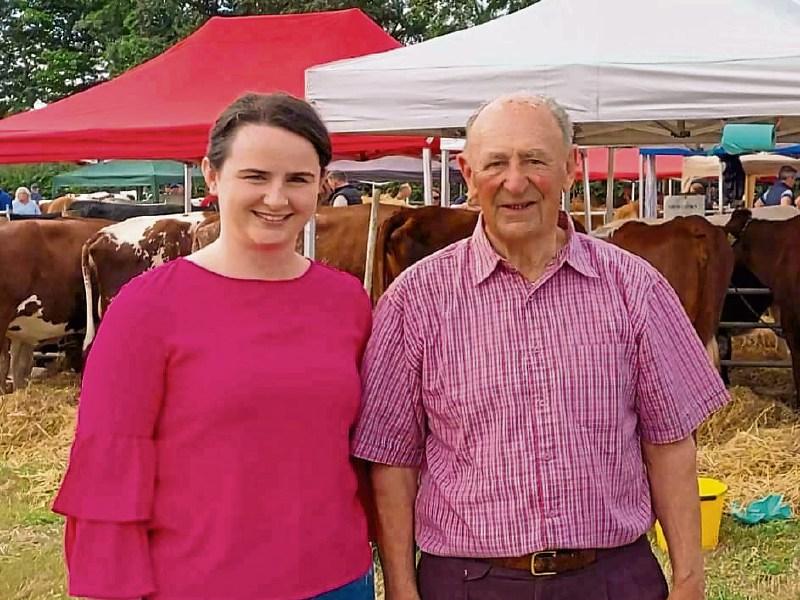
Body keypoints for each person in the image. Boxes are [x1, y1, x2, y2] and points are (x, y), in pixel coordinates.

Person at [352, 93, 729, 600]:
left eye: (535, 160)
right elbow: (393, 461)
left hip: (611, 578)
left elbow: (670, 443)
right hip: (468, 583)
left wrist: (689, 580)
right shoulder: (414, 300)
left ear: (571, 167)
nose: (515, 182)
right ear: (468, 174)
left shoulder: (635, 287)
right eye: (496, 163)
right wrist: (401, 588)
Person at [53, 92, 374, 600]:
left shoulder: (347, 301)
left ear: (322, 184)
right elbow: (110, 468)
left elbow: (362, 449)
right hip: (198, 583)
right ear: (212, 176)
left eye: (297, 179)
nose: (276, 199)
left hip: (337, 580)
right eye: (255, 177)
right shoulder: (146, 308)